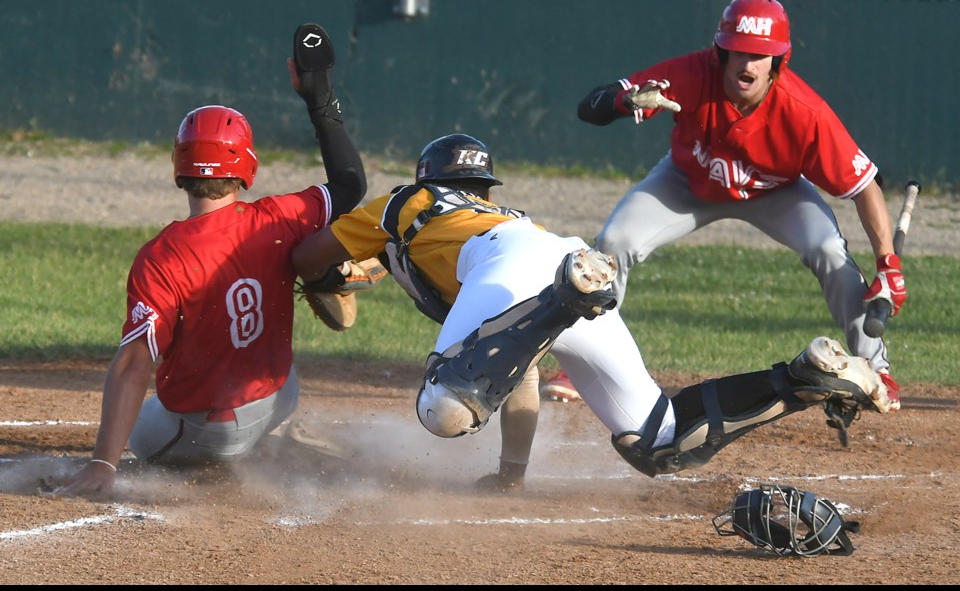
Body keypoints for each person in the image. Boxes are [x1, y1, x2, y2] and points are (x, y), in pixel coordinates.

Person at [291, 132, 895, 488]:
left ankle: (563, 300)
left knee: (444, 411)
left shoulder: (407, 201)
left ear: (429, 177)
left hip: (521, 272)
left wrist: (327, 269)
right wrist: (511, 475)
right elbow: (519, 369)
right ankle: (802, 378)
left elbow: (309, 255)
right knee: (657, 442)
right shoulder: (513, 216)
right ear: (484, 187)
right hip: (566, 258)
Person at [59, 22, 366, 498]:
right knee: (272, 375)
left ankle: (230, 456)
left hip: (208, 434)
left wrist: (103, 461)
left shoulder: (161, 256)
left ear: (180, 169)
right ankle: (272, 438)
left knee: (142, 421)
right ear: (246, 167)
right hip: (278, 397)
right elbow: (349, 187)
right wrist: (318, 97)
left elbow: (135, 362)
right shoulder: (278, 217)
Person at [576, 0, 905, 414]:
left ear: (779, 62)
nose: (747, 64)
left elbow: (864, 187)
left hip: (776, 193)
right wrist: (624, 102)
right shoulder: (692, 72)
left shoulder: (806, 112)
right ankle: (588, 359)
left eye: (760, 55)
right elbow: (591, 107)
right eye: (738, 52)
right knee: (614, 240)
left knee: (827, 249)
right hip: (687, 183)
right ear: (721, 52)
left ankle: (877, 369)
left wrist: (888, 265)